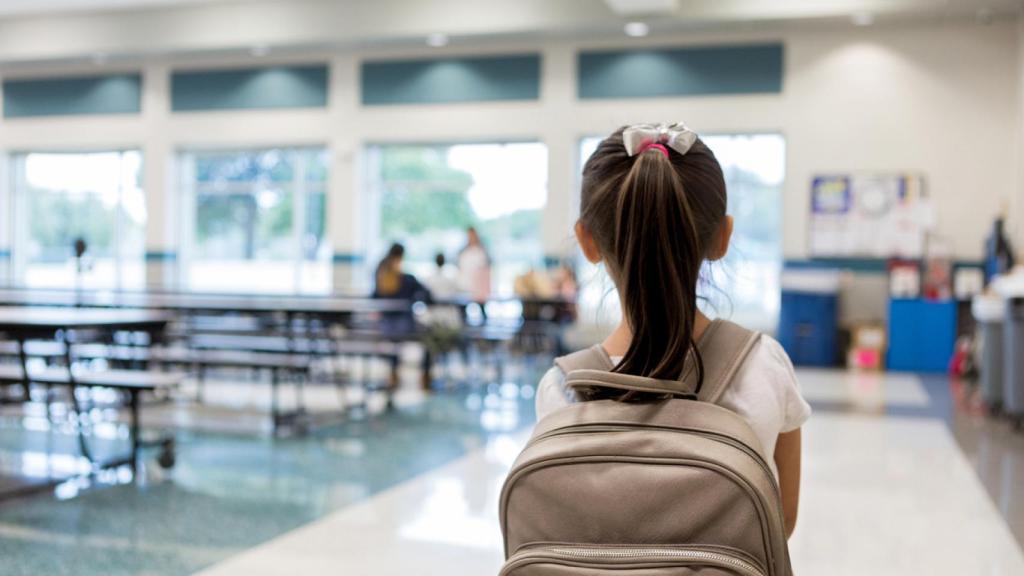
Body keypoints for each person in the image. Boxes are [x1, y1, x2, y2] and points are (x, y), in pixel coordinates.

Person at [534, 124, 812, 538]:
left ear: (586, 241)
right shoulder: (763, 365)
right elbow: (779, 524)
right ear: (722, 237)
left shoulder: (561, 390)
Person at [372, 243, 432, 392]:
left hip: (385, 325)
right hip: (402, 325)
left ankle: (394, 374)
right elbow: (426, 294)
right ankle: (425, 377)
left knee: (394, 342)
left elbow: (374, 297)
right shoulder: (407, 279)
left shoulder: (381, 275)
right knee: (430, 336)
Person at [457, 227, 491, 306]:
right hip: (465, 286)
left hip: (480, 288)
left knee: (481, 306)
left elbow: (486, 269)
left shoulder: (482, 250)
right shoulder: (463, 252)